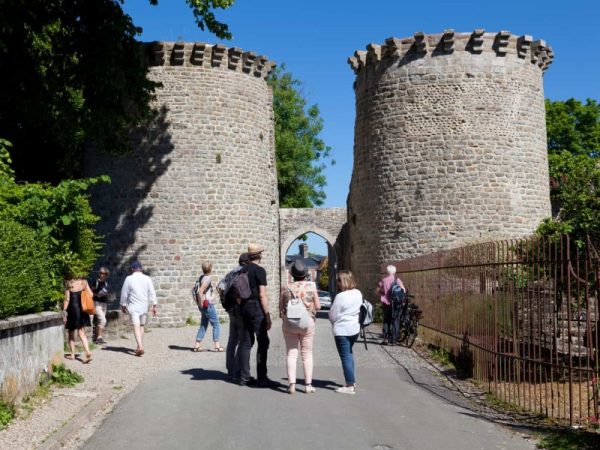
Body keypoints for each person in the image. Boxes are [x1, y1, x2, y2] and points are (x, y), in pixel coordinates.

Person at [279, 260, 321, 394]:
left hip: (289, 323)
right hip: (307, 322)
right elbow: (319, 306)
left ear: (292, 274)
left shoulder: (286, 286)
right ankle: (308, 386)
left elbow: (280, 308)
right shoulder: (311, 286)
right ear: (305, 274)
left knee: (291, 353)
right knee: (307, 354)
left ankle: (291, 385)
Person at [237, 243, 273, 387]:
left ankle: (244, 377)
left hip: (243, 308)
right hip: (256, 307)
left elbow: (237, 293)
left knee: (246, 343)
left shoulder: (241, 270)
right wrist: (268, 316)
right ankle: (262, 377)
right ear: (259, 255)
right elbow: (262, 295)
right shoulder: (259, 271)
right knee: (263, 342)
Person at [329, 270, 362, 394]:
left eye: (339, 280)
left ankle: (349, 385)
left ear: (343, 281)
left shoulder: (340, 296)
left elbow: (333, 315)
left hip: (342, 330)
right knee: (349, 353)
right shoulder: (358, 293)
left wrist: (333, 321)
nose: (337, 283)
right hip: (354, 329)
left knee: (345, 356)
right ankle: (352, 380)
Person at [219, 253, 250, 381]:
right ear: (247, 262)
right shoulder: (243, 272)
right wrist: (239, 301)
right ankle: (237, 370)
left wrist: (225, 302)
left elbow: (219, 287)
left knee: (232, 339)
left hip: (230, 309)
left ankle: (230, 369)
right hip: (239, 309)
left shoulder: (230, 272)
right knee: (243, 340)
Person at [120, 261, 157, 356]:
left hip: (134, 306)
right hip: (144, 306)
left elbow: (124, 293)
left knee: (136, 326)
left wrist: (123, 304)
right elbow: (152, 292)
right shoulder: (147, 278)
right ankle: (138, 346)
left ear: (132, 269)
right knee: (141, 326)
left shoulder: (129, 278)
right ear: (141, 269)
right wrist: (154, 304)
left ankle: (140, 346)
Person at [192, 261, 224, 352]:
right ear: (210, 269)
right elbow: (200, 291)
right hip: (207, 304)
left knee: (204, 324)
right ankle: (217, 345)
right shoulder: (207, 279)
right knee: (216, 324)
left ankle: (197, 345)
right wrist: (202, 303)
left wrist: (199, 304)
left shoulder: (201, 277)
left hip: (203, 305)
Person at [63, 274, 93, 363]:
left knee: (71, 332)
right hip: (82, 310)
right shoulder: (84, 282)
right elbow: (91, 295)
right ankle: (87, 351)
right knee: (81, 332)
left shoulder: (69, 283)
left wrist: (64, 311)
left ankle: (72, 354)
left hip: (72, 310)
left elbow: (67, 299)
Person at [375, 264, 405, 345]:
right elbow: (403, 290)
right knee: (395, 320)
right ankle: (394, 339)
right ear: (395, 272)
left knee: (386, 320)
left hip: (386, 303)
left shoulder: (383, 280)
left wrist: (382, 293)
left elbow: (377, 291)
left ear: (387, 272)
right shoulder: (397, 280)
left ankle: (385, 339)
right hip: (396, 303)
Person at [91, 266, 110, 345]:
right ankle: (99, 337)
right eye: (101, 273)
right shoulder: (95, 282)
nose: (103, 275)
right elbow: (91, 292)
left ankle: (98, 338)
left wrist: (107, 294)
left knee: (100, 321)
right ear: (99, 273)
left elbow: (106, 292)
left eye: (105, 274)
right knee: (103, 320)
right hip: (97, 303)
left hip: (104, 303)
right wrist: (97, 294)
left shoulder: (105, 283)